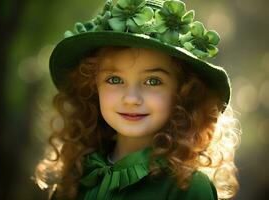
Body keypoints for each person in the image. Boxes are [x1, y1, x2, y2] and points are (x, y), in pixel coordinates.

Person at [34, 0, 241, 199]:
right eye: (114, 79)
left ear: (183, 93)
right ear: (92, 87)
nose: (131, 99)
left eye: (153, 81)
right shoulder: (77, 177)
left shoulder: (187, 188)